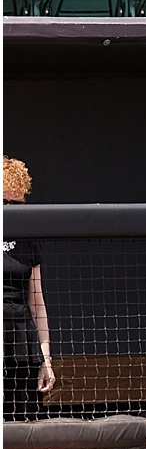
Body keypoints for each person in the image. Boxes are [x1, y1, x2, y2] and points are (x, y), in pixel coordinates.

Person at [3, 156, 55, 421]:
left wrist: (45, 360)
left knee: (24, 422)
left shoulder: (29, 239)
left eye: (16, 204)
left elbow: (38, 304)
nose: (9, 209)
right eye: (4, 202)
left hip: (22, 343)